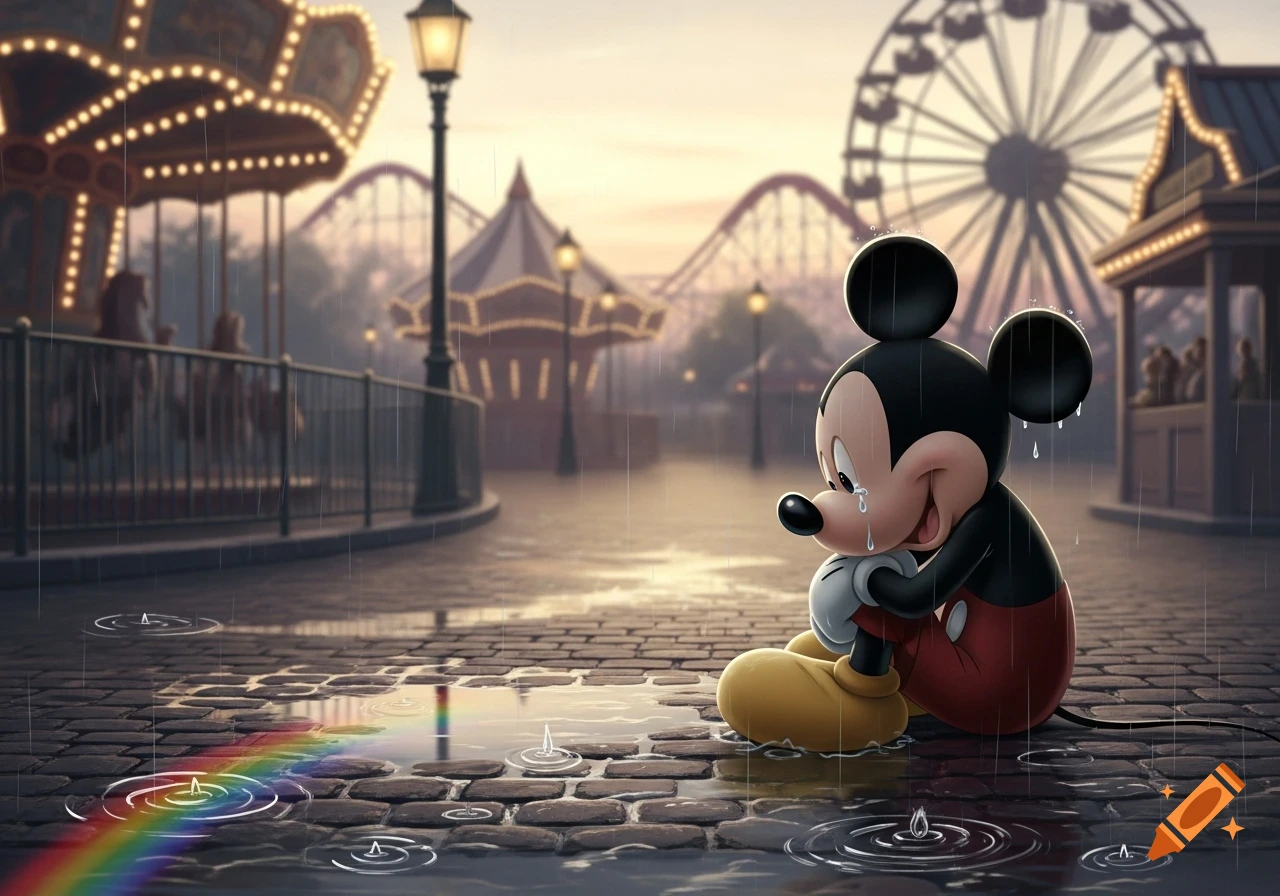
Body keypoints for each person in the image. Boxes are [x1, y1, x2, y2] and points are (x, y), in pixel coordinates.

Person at [1178, 336, 1206, 402]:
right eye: (1196, 347)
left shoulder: (1207, 371)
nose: (1198, 349)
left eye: (1201, 347)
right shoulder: (1190, 371)